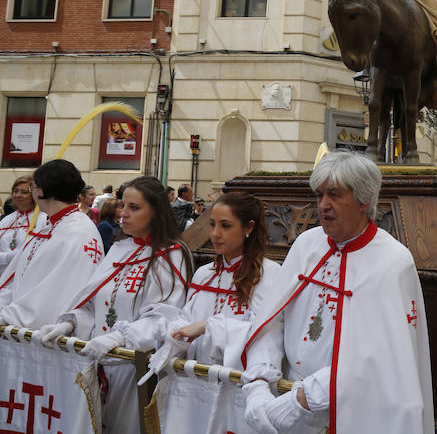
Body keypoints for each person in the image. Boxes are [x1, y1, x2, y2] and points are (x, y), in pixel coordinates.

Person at [240, 151, 433, 434]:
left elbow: (379, 358)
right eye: (319, 195)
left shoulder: (393, 261)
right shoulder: (306, 245)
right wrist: (258, 381)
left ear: (364, 199)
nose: (323, 206)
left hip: (353, 412)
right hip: (286, 400)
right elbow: (272, 318)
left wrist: (306, 399)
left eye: (333, 195)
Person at [37, 176, 193, 434]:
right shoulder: (119, 247)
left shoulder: (172, 254)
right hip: (97, 364)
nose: (124, 214)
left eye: (134, 207)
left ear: (155, 211)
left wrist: (119, 338)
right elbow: (95, 302)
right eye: (123, 205)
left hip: (133, 369)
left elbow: (166, 315)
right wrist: (69, 323)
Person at [139, 191, 280, 379]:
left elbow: (265, 336)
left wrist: (209, 327)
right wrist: (171, 331)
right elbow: (188, 319)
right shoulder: (204, 274)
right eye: (212, 224)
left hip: (235, 384)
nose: (214, 234)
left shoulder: (269, 274)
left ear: (248, 228)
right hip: (194, 382)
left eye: (226, 226)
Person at [0, 160, 104, 328]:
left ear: (42, 191)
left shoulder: (77, 232)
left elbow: (54, 290)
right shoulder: (52, 225)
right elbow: (19, 274)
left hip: (41, 332)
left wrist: (12, 315)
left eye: (33, 187)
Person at [0, 176, 48, 274]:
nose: (18, 195)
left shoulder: (43, 219)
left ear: (34, 194)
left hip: (26, 273)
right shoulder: (6, 220)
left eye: (24, 192)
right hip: (3, 274)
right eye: (15, 191)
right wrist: (9, 257)